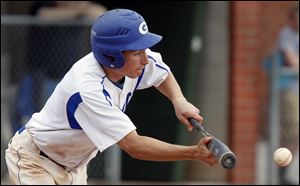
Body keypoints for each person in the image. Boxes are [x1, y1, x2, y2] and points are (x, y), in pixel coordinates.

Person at [5, 9, 217, 185]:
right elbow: (134, 146)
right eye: (136, 52)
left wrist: (178, 100)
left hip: (74, 165)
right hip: (36, 160)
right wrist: (193, 153)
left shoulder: (132, 63)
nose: (145, 59)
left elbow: (162, 73)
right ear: (111, 56)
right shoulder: (88, 88)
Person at [11, 1, 107, 133]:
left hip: (67, 77)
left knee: (64, 121)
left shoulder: (81, 9)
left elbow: (101, 13)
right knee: (31, 117)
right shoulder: (43, 6)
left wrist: (80, 9)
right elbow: (44, 16)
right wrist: (78, 11)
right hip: (41, 76)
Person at [277, 5, 299, 185]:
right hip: (292, 91)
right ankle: (282, 175)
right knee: (292, 133)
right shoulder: (287, 34)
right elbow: (293, 62)